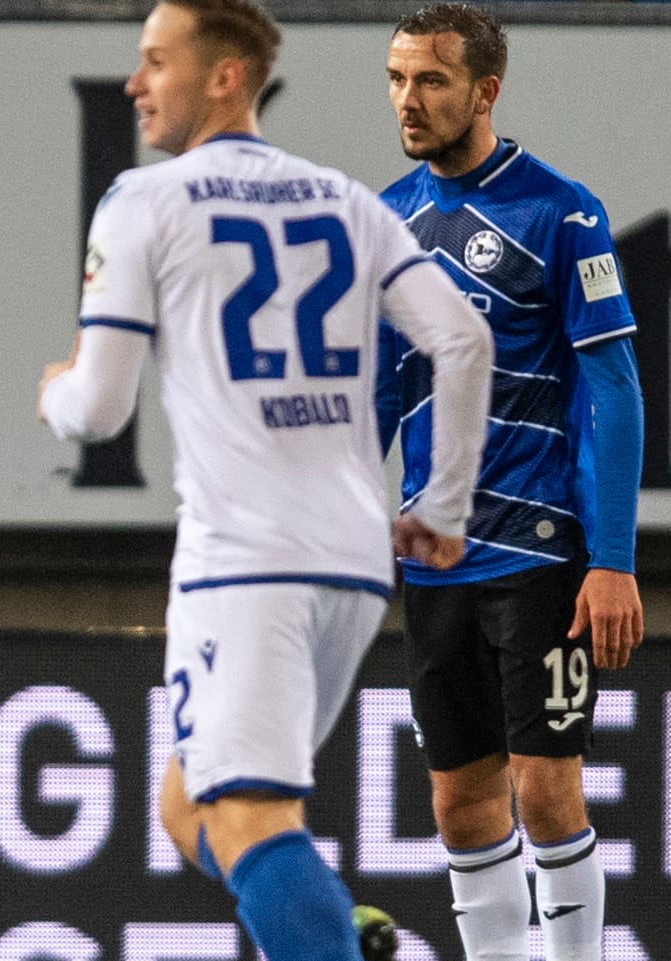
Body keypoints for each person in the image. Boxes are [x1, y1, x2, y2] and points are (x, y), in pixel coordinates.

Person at [36, 1, 494, 959]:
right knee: (184, 807)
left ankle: (319, 934)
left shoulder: (143, 201)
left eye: (156, 61)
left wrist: (54, 395)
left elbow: (101, 408)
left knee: (249, 821)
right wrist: (439, 507)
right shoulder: (344, 198)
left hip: (245, 560)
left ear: (224, 77)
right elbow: (461, 338)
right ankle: (335, 924)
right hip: (353, 563)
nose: (134, 82)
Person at [376, 7, 645, 960]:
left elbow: (614, 390)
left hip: (538, 550)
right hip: (435, 556)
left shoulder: (559, 211)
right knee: (458, 805)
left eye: (431, 82)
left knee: (544, 787)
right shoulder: (387, 220)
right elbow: (377, 390)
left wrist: (610, 559)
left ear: (485, 92)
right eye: (398, 79)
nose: (408, 101)